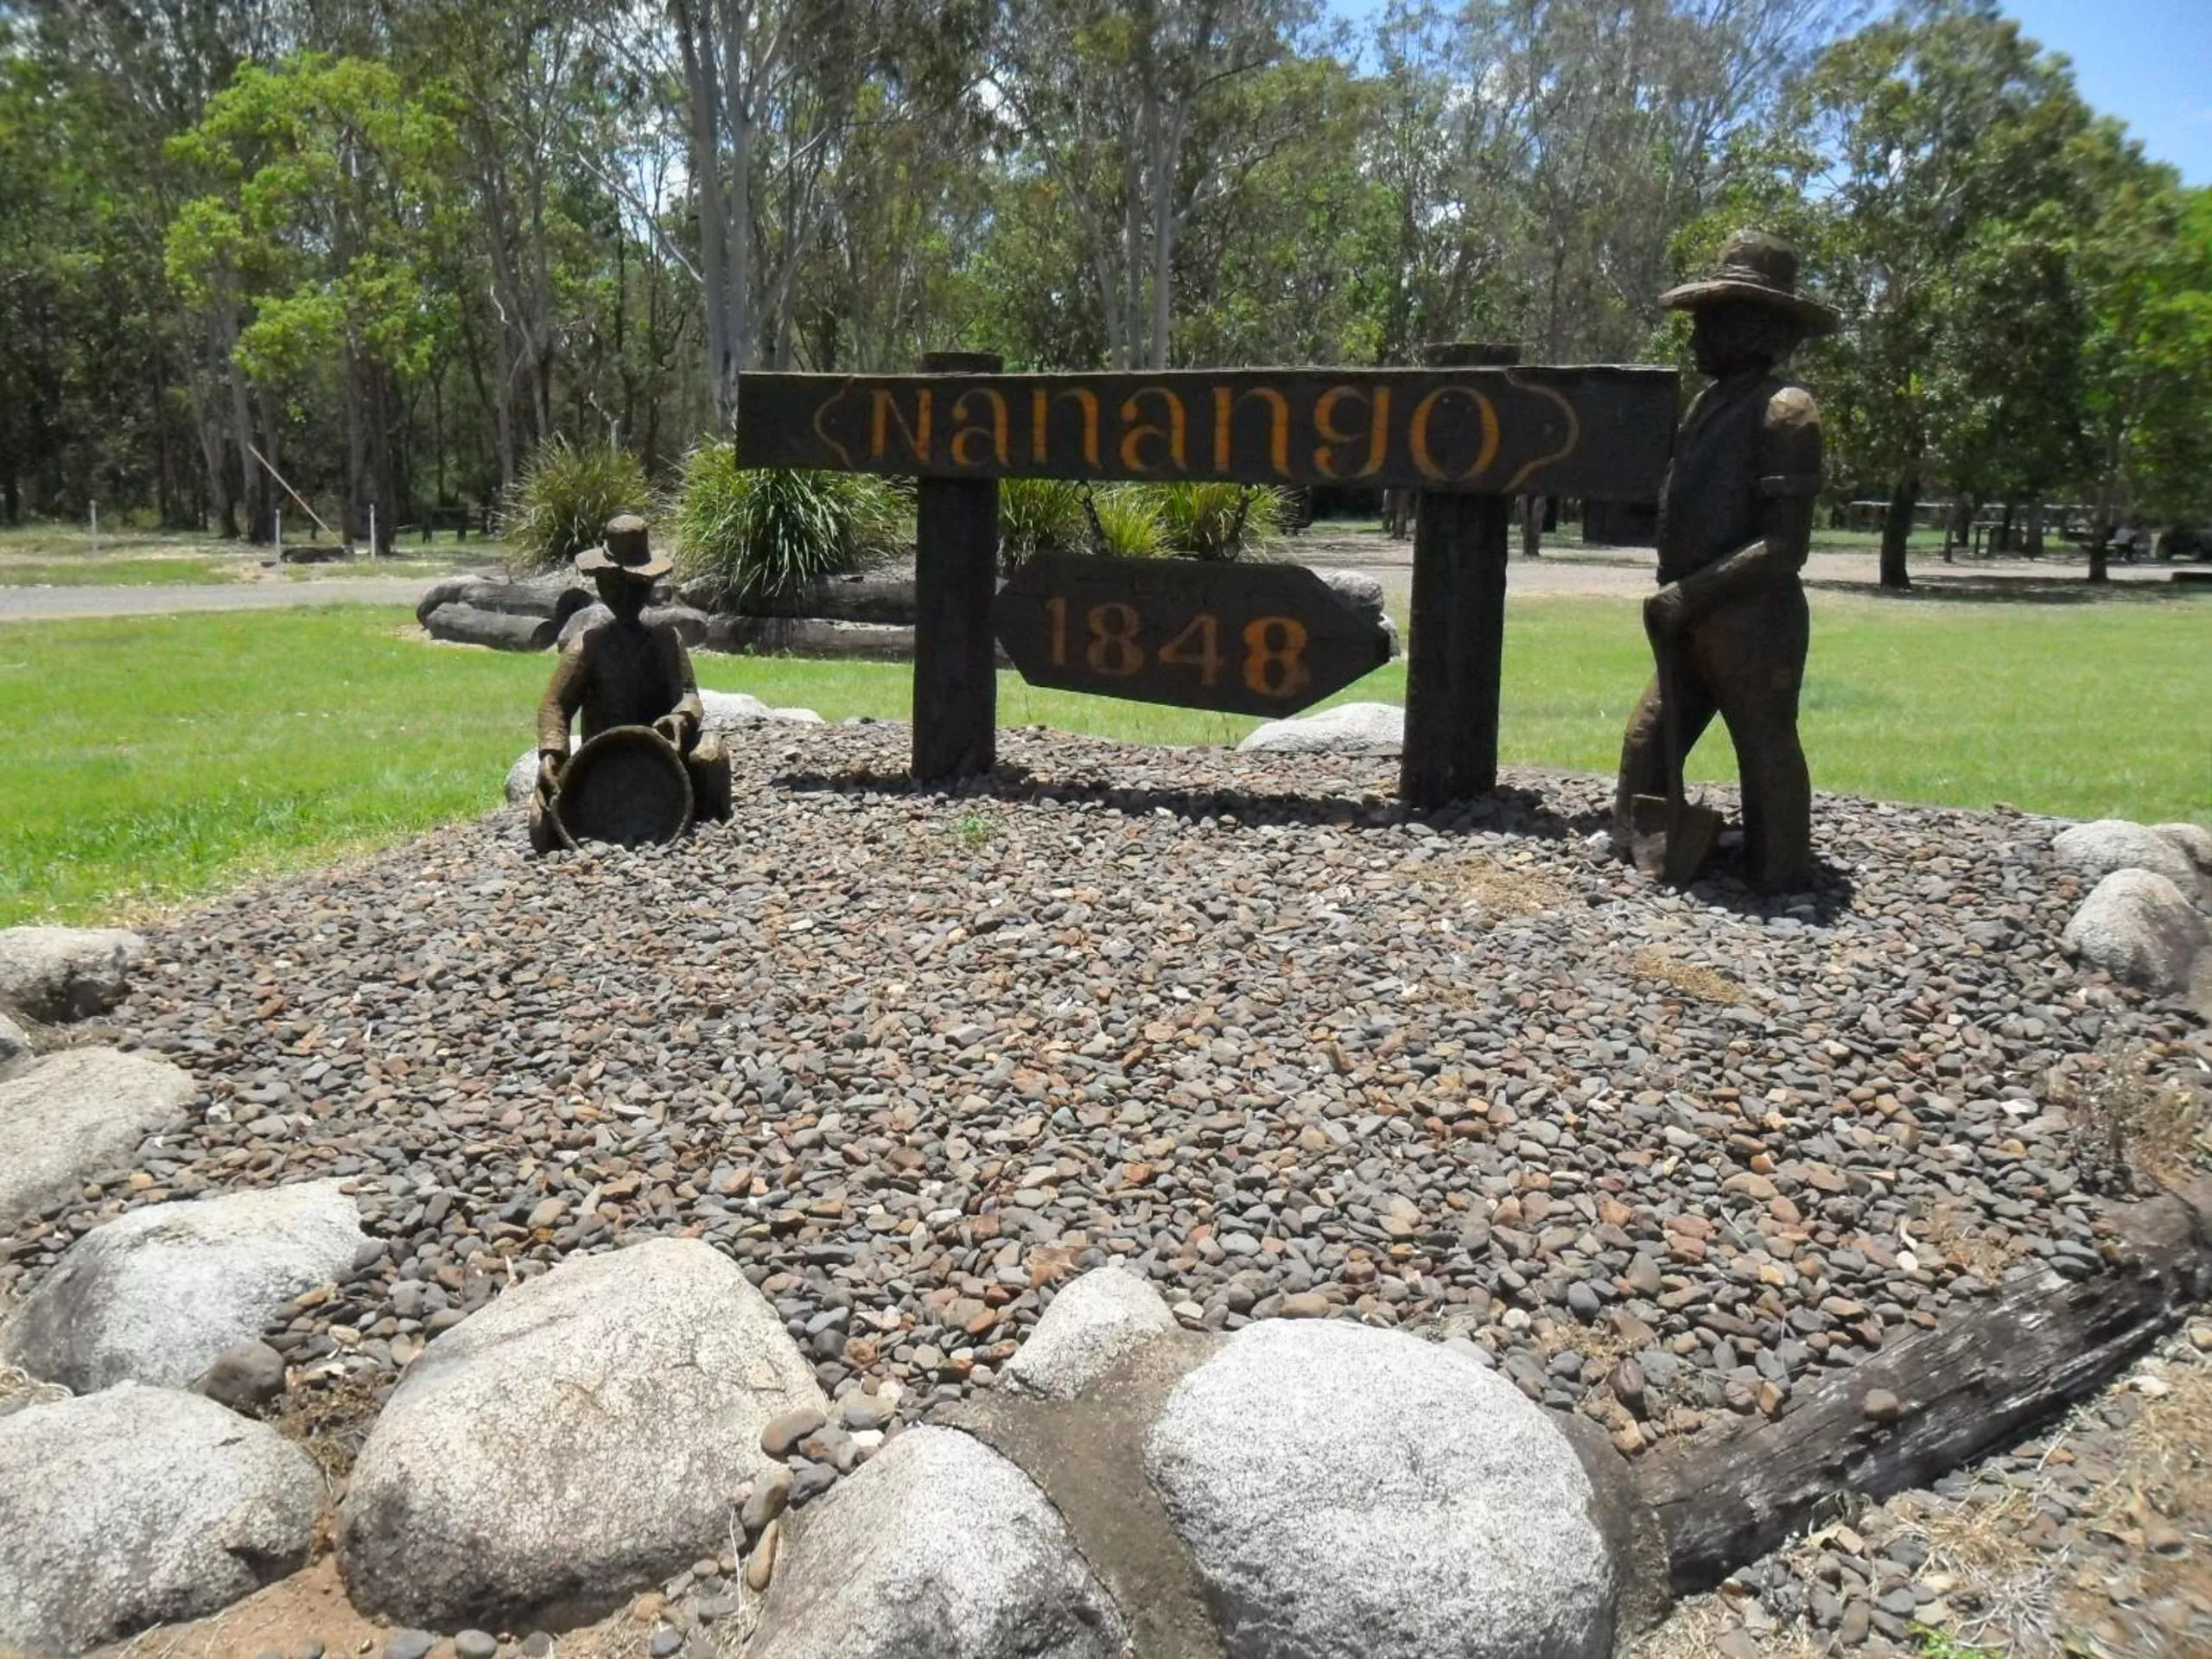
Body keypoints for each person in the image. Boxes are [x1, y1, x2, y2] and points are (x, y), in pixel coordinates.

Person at [1613, 230, 1839, 893]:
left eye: (1713, 319)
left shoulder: (1787, 411)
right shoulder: (1708, 404)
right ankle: (1643, 843)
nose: (1697, 334)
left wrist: (1692, 594)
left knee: (1764, 743)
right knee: (1647, 742)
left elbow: (1785, 545)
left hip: (1752, 620)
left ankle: (1779, 869)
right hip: (1689, 616)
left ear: (1758, 326)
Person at [530, 514, 732, 852]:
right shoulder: (588, 645)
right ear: (600, 584)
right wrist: (552, 752)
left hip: (662, 761)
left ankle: (707, 821)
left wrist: (680, 718)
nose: (625, 595)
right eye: (614, 585)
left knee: (710, 755)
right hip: (602, 763)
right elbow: (556, 703)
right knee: (544, 820)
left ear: (649, 586)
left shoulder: (666, 641)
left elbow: (688, 695)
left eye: (636, 585)